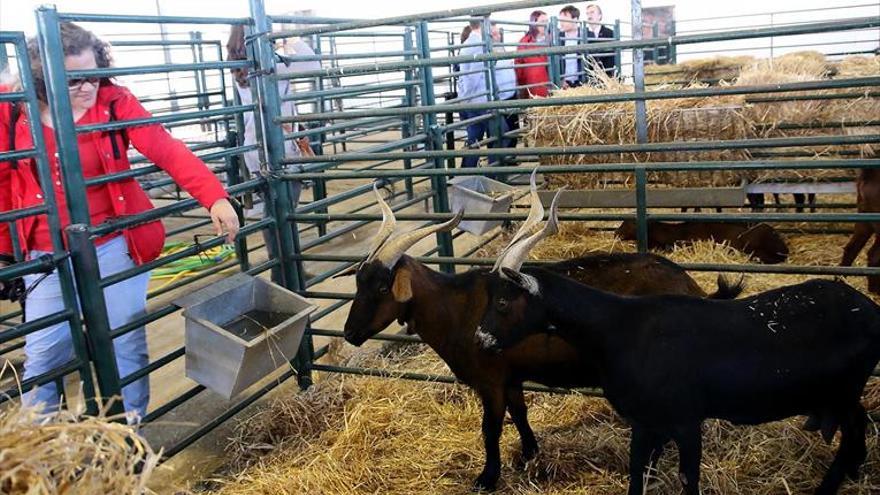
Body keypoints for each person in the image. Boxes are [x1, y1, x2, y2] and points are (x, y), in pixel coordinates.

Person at [0, 22, 240, 420]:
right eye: (74, 79)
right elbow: (4, 179)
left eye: (92, 74)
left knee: (123, 341)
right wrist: (8, 252)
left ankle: (128, 438)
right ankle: (40, 448)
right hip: (45, 252)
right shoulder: (12, 109)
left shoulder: (113, 102)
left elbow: (165, 148)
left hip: (114, 241)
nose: (87, 86)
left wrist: (213, 196)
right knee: (43, 355)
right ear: (42, 78)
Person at [457, 16, 507, 169]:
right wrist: (469, 98)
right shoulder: (477, 45)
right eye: (490, 24)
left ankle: (468, 172)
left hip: (476, 100)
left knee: (475, 139)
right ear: (482, 25)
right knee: (501, 134)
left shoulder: (470, 43)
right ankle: (493, 171)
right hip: (480, 100)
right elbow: (472, 77)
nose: (493, 28)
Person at [490, 21, 519, 150]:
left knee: (513, 129)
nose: (497, 36)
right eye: (493, 34)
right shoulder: (488, 51)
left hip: (511, 95)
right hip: (500, 98)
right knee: (500, 131)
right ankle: (500, 160)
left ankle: (510, 157)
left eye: (498, 33)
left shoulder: (501, 48)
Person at [515, 10, 551, 99]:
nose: (546, 24)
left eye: (547, 21)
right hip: (534, 88)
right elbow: (519, 67)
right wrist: (522, 88)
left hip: (553, 85)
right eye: (542, 22)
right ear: (534, 23)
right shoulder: (525, 42)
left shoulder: (553, 39)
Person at [584, 3, 617, 81]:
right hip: (590, 78)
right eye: (587, 13)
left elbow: (613, 57)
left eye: (592, 12)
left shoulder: (610, 33)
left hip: (608, 77)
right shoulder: (583, 34)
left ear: (600, 16)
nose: (589, 16)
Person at [558, 5, 584, 88]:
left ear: (575, 20)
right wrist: (560, 80)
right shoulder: (557, 37)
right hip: (564, 85)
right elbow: (554, 62)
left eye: (564, 20)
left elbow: (594, 62)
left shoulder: (587, 35)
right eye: (560, 20)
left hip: (583, 84)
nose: (561, 23)